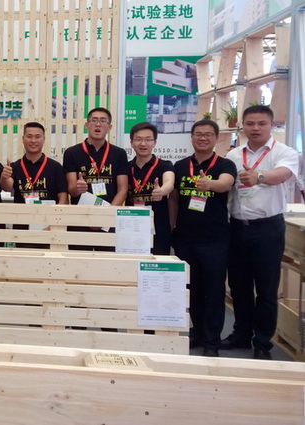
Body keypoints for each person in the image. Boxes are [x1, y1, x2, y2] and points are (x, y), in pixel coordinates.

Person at [221, 105, 299, 360]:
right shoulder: (234, 155)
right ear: (242, 126)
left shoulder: (284, 152)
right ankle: (242, 334)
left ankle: (263, 343)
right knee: (239, 286)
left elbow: (283, 174)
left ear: (271, 125)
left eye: (261, 123)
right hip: (237, 227)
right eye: (250, 123)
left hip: (268, 229)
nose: (255, 128)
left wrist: (260, 177)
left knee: (266, 289)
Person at [170, 119, 236, 357]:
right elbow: (174, 198)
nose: (203, 138)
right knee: (192, 289)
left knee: (214, 290)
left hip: (215, 239)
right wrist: (172, 227)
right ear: (191, 137)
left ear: (216, 138)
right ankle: (197, 333)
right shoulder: (180, 166)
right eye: (198, 134)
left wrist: (210, 184)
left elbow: (226, 184)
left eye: (208, 135)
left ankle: (212, 341)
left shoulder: (225, 164)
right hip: (185, 238)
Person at [125, 122, 175, 255]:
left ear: (154, 143)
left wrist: (162, 191)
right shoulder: (126, 167)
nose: (143, 144)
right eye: (138, 139)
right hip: (131, 226)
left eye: (148, 139)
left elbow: (169, 182)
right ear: (131, 143)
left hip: (158, 228)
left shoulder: (164, 165)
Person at [63, 107, 129, 206]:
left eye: (103, 121)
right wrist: (77, 188)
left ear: (109, 127)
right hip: (81, 212)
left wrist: (110, 211)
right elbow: (72, 191)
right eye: (94, 120)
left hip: (110, 211)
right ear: (87, 125)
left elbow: (123, 190)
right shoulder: (71, 153)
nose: (98, 124)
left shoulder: (119, 153)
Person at [0, 121, 68, 205]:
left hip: (48, 212)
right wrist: (4, 177)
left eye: (37, 137)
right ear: (23, 139)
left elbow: (63, 197)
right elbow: (7, 187)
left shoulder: (55, 167)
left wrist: (55, 212)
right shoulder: (15, 166)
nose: (33, 140)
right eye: (29, 136)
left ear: (44, 139)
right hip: (21, 212)